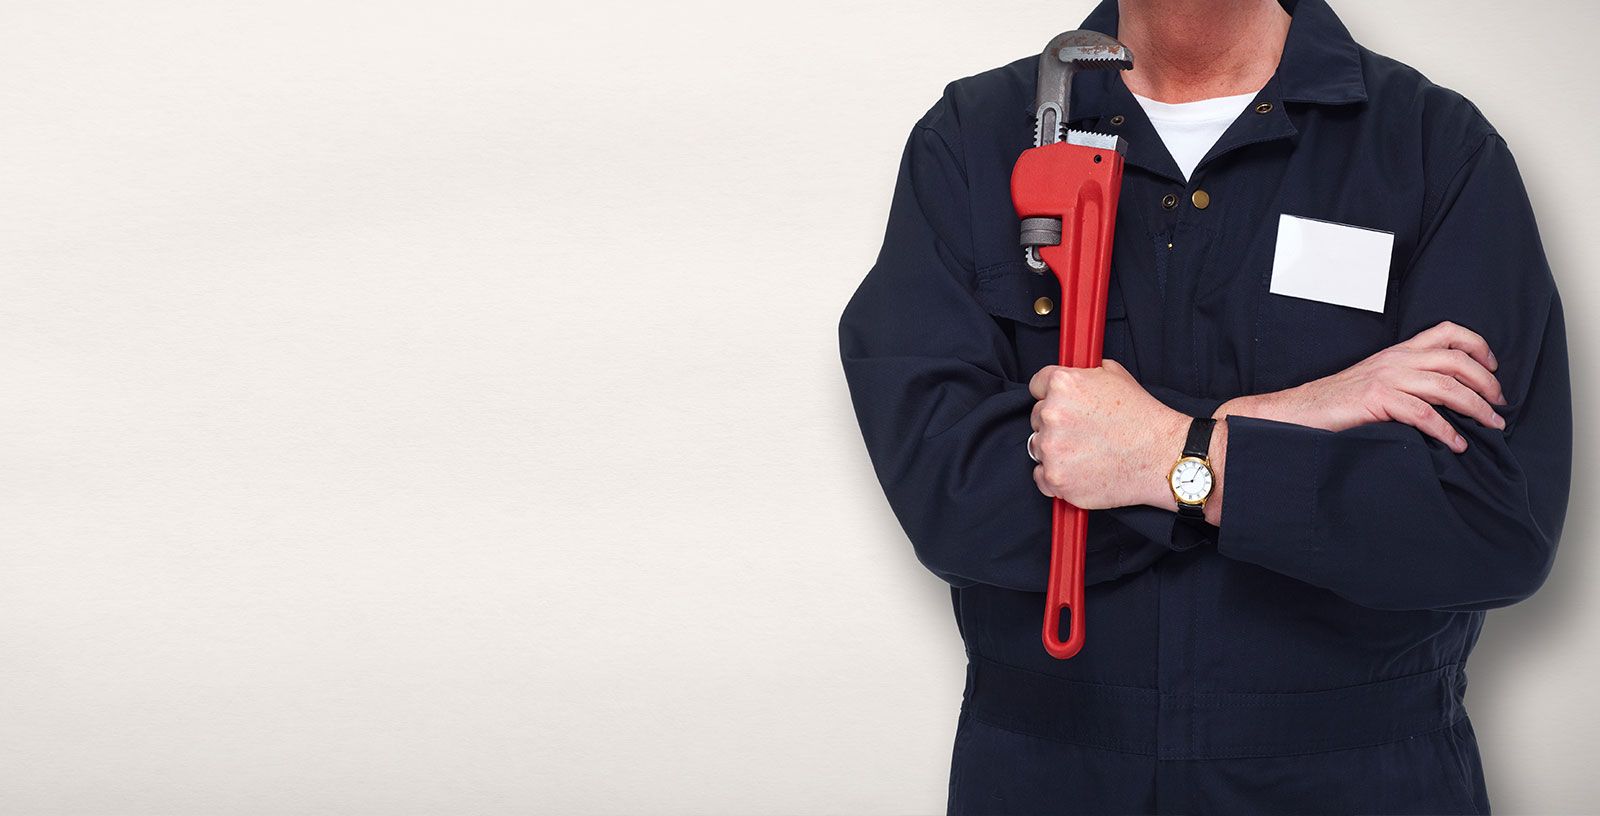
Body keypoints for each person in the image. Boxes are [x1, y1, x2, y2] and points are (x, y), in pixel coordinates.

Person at [837, 0, 1573, 813]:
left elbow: (1490, 523)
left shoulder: (1436, 150)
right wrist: (1301, 413)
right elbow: (955, 496)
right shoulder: (973, 143)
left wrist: (1170, 453)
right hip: (1050, 777)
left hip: (1356, 778)